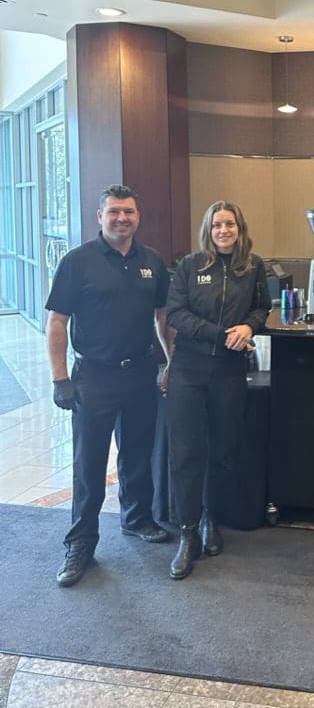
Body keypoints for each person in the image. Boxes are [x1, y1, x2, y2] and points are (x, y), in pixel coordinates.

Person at [45, 185, 172, 588]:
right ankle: (81, 542)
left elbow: (162, 318)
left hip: (138, 373)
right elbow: (57, 323)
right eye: (114, 212)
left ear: (138, 216)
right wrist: (60, 378)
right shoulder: (77, 262)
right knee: (89, 464)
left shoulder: (152, 261)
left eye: (129, 212)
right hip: (93, 377)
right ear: (99, 216)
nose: (122, 218)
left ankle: (137, 519)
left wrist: (168, 363)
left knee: (137, 454)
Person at [165, 200, 270, 580]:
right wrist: (221, 334)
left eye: (229, 224)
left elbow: (262, 307)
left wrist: (250, 327)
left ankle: (212, 519)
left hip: (228, 372)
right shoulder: (191, 266)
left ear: (240, 229)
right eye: (216, 225)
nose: (223, 230)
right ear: (207, 231)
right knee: (187, 452)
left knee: (223, 449)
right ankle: (187, 533)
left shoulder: (253, 266)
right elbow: (175, 314)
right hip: (189, 370)